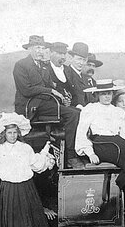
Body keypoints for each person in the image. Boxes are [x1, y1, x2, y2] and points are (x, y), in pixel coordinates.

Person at [75, 79, 125, 212]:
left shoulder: (118, 112)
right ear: (97, 95)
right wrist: (89, 152)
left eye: (109, 93)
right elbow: (81, 132)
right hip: (100, 142)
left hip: (117, 140)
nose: (107, 96)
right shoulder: (90, 109)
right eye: (103, 94)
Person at [12, 35, 81, 167]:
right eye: (37, 48)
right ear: (30, 49)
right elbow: (26, 90)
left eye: (43, 48)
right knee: (73, 114)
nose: (40, 51)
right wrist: (51, 92)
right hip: (30, 106)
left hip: (45, 104)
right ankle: (70, 156)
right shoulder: (21, 65)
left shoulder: (43, 67)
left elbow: (50, 86)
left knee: (76, 111)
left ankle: (74, 151)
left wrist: (62, 97)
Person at [65, 42, 91, 108]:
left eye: (84, 60)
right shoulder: (65, 73)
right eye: (79, 59)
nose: (81, 63)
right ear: (71, 58)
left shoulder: (86, 78)